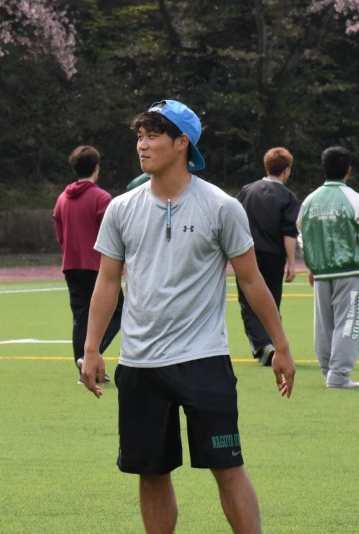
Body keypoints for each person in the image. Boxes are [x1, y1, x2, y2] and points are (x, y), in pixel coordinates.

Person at [80, 99, 295, 534]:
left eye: (153, 136)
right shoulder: (122, 208)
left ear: (182, 144)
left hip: (204, 361)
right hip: (140, 363)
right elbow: (108, 280)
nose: (142, 145)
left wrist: (282, 346)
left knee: (227, 466)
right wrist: (92, 347)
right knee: (151, 471)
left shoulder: (221, 206)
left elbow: (251, 280)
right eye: (140, 136)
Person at [52, 145, 123, 383]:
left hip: (71, 265)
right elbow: (110, 234)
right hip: (97, 266)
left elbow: (60, 234)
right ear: (97, 168)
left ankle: (84, 370)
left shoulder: (62, 198)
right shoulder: (101, 198)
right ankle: (89, 356)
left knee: (81, 317)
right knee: (117, 311)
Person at [296, 146, 359, 389]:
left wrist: (312, 265)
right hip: (350, 270)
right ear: (348, 170)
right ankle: (339, 375)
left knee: (324, 325)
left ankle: (327, 370)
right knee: (349, 321)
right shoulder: (353, 198)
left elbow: (303, 233)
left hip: (321, 272)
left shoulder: (310, 200)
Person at [235, 147, 300, 366]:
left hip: (247, 254)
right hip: (274, 256)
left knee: (248, 302)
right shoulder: (287, 196)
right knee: (271, 300)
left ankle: (264, 346)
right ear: (287, 170)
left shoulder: (247, 191)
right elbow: (289, 233)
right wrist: (292, 263)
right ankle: (274, 343)